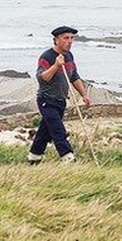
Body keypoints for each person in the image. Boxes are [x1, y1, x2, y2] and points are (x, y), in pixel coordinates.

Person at [27, 26, 91, 164]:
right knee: (58, 129)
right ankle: (68, 157)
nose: (69, 41)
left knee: (45, 130)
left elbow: (74, 76)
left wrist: (84, 95)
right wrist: (55, 66)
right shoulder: (47, 56)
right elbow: (42, 77)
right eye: (66, 38)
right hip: (46, 100)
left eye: (72, 38)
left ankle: (34, 157)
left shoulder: (69, 56)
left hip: (61, 100)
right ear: (56, 40)